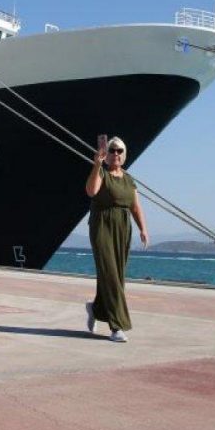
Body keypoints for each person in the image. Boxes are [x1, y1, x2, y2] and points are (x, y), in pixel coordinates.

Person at [84, 136, 149, 343]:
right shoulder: (102, 173)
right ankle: (117, 327)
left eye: (119, 151)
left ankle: (95, 309)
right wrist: (97, 164)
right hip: (102, 226)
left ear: (124, 154)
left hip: (122, 228)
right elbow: (91, 191)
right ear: (107, 153)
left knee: (116, 275)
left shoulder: (129, 180)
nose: (115, 154)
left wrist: (143, 229)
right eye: (112, 150)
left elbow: (135, 207)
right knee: (110, 273)